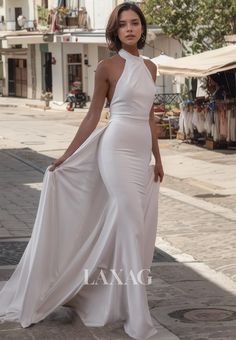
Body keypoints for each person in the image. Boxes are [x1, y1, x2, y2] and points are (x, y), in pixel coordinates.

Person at [0, 2, 164, 339]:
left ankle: (100, 293)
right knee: (132, 224)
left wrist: (157, 159)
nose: (130, 29)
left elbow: (149, 118)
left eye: (135, 23)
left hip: (138, 153)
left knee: (134, 227)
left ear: (142, 29)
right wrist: (65, 156)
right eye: (123, 24)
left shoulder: (150, 68)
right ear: (115, 31)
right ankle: (138, 316)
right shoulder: (106, 66)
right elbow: (92, 116)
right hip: (115, 150)